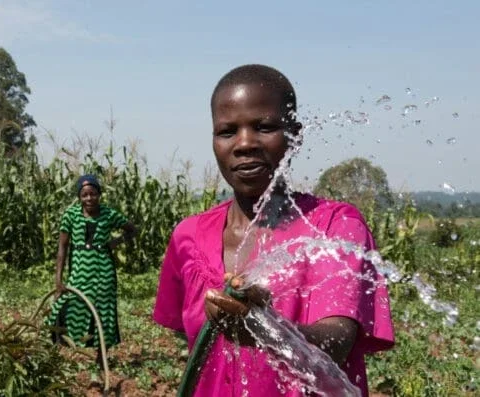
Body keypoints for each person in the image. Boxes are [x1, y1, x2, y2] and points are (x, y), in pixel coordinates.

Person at [153, 64, 395, 396]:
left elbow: (337, 341)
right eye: (227, 131)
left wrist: (264, 326)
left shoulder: (333, 228)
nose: (244, 143)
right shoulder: (188, 236)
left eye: (264, 127)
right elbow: (192, 339)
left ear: (294, 135)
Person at [47, 174, 137, 365]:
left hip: (104, 271)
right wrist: (58, 280)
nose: (89, 198)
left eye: (93, 194)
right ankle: (57, 349)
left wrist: (116, 242)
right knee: (64, 305)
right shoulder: (70, 215)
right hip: (79, 270)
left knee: (103, 311)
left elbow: (132, 229)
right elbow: (62, 249)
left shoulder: (109, 214)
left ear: (99, 194)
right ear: (79, 197)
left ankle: (101, 356)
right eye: (85, 195)